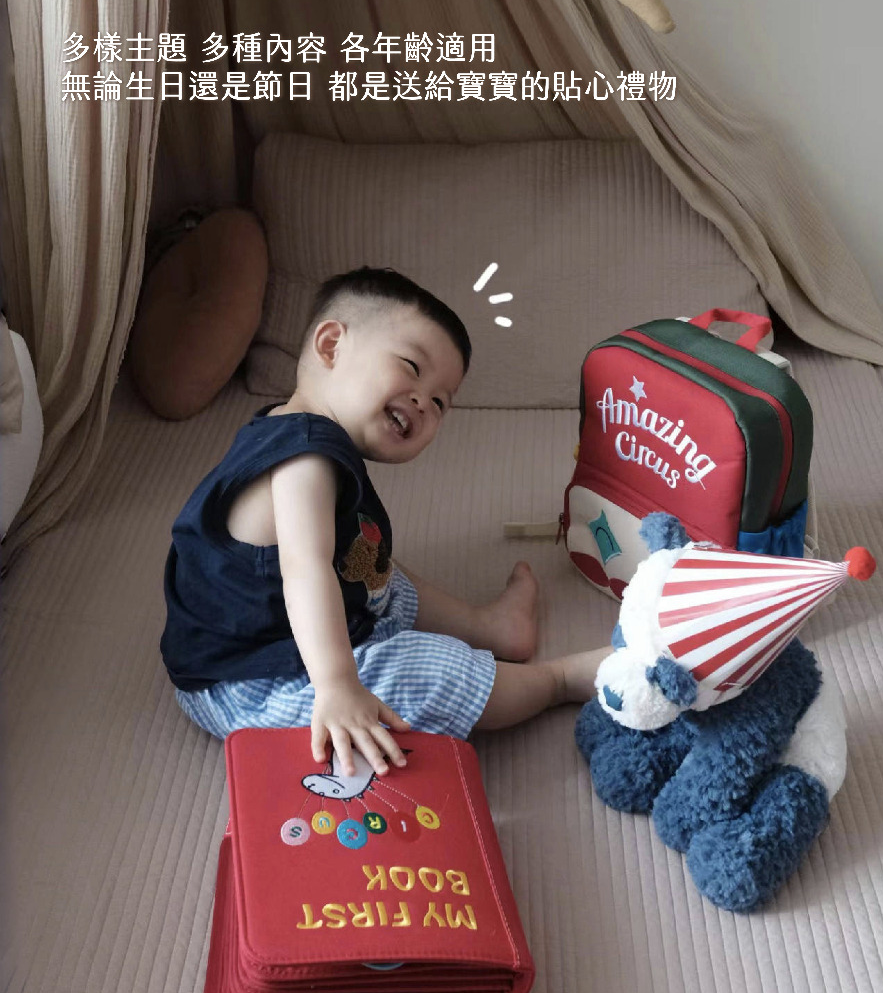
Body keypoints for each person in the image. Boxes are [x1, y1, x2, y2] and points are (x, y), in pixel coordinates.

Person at [161, 266, 610, 777]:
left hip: (272, 637)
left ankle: (490, 627)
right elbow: (305, 570)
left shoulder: (292, 428)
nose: (423, 401)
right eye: (411, 367)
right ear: (331, 346)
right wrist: (337, 685)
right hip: (253, 683)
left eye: (440, 401)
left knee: (374, 566)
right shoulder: (305, 457)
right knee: (425, 671)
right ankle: (557, 681)